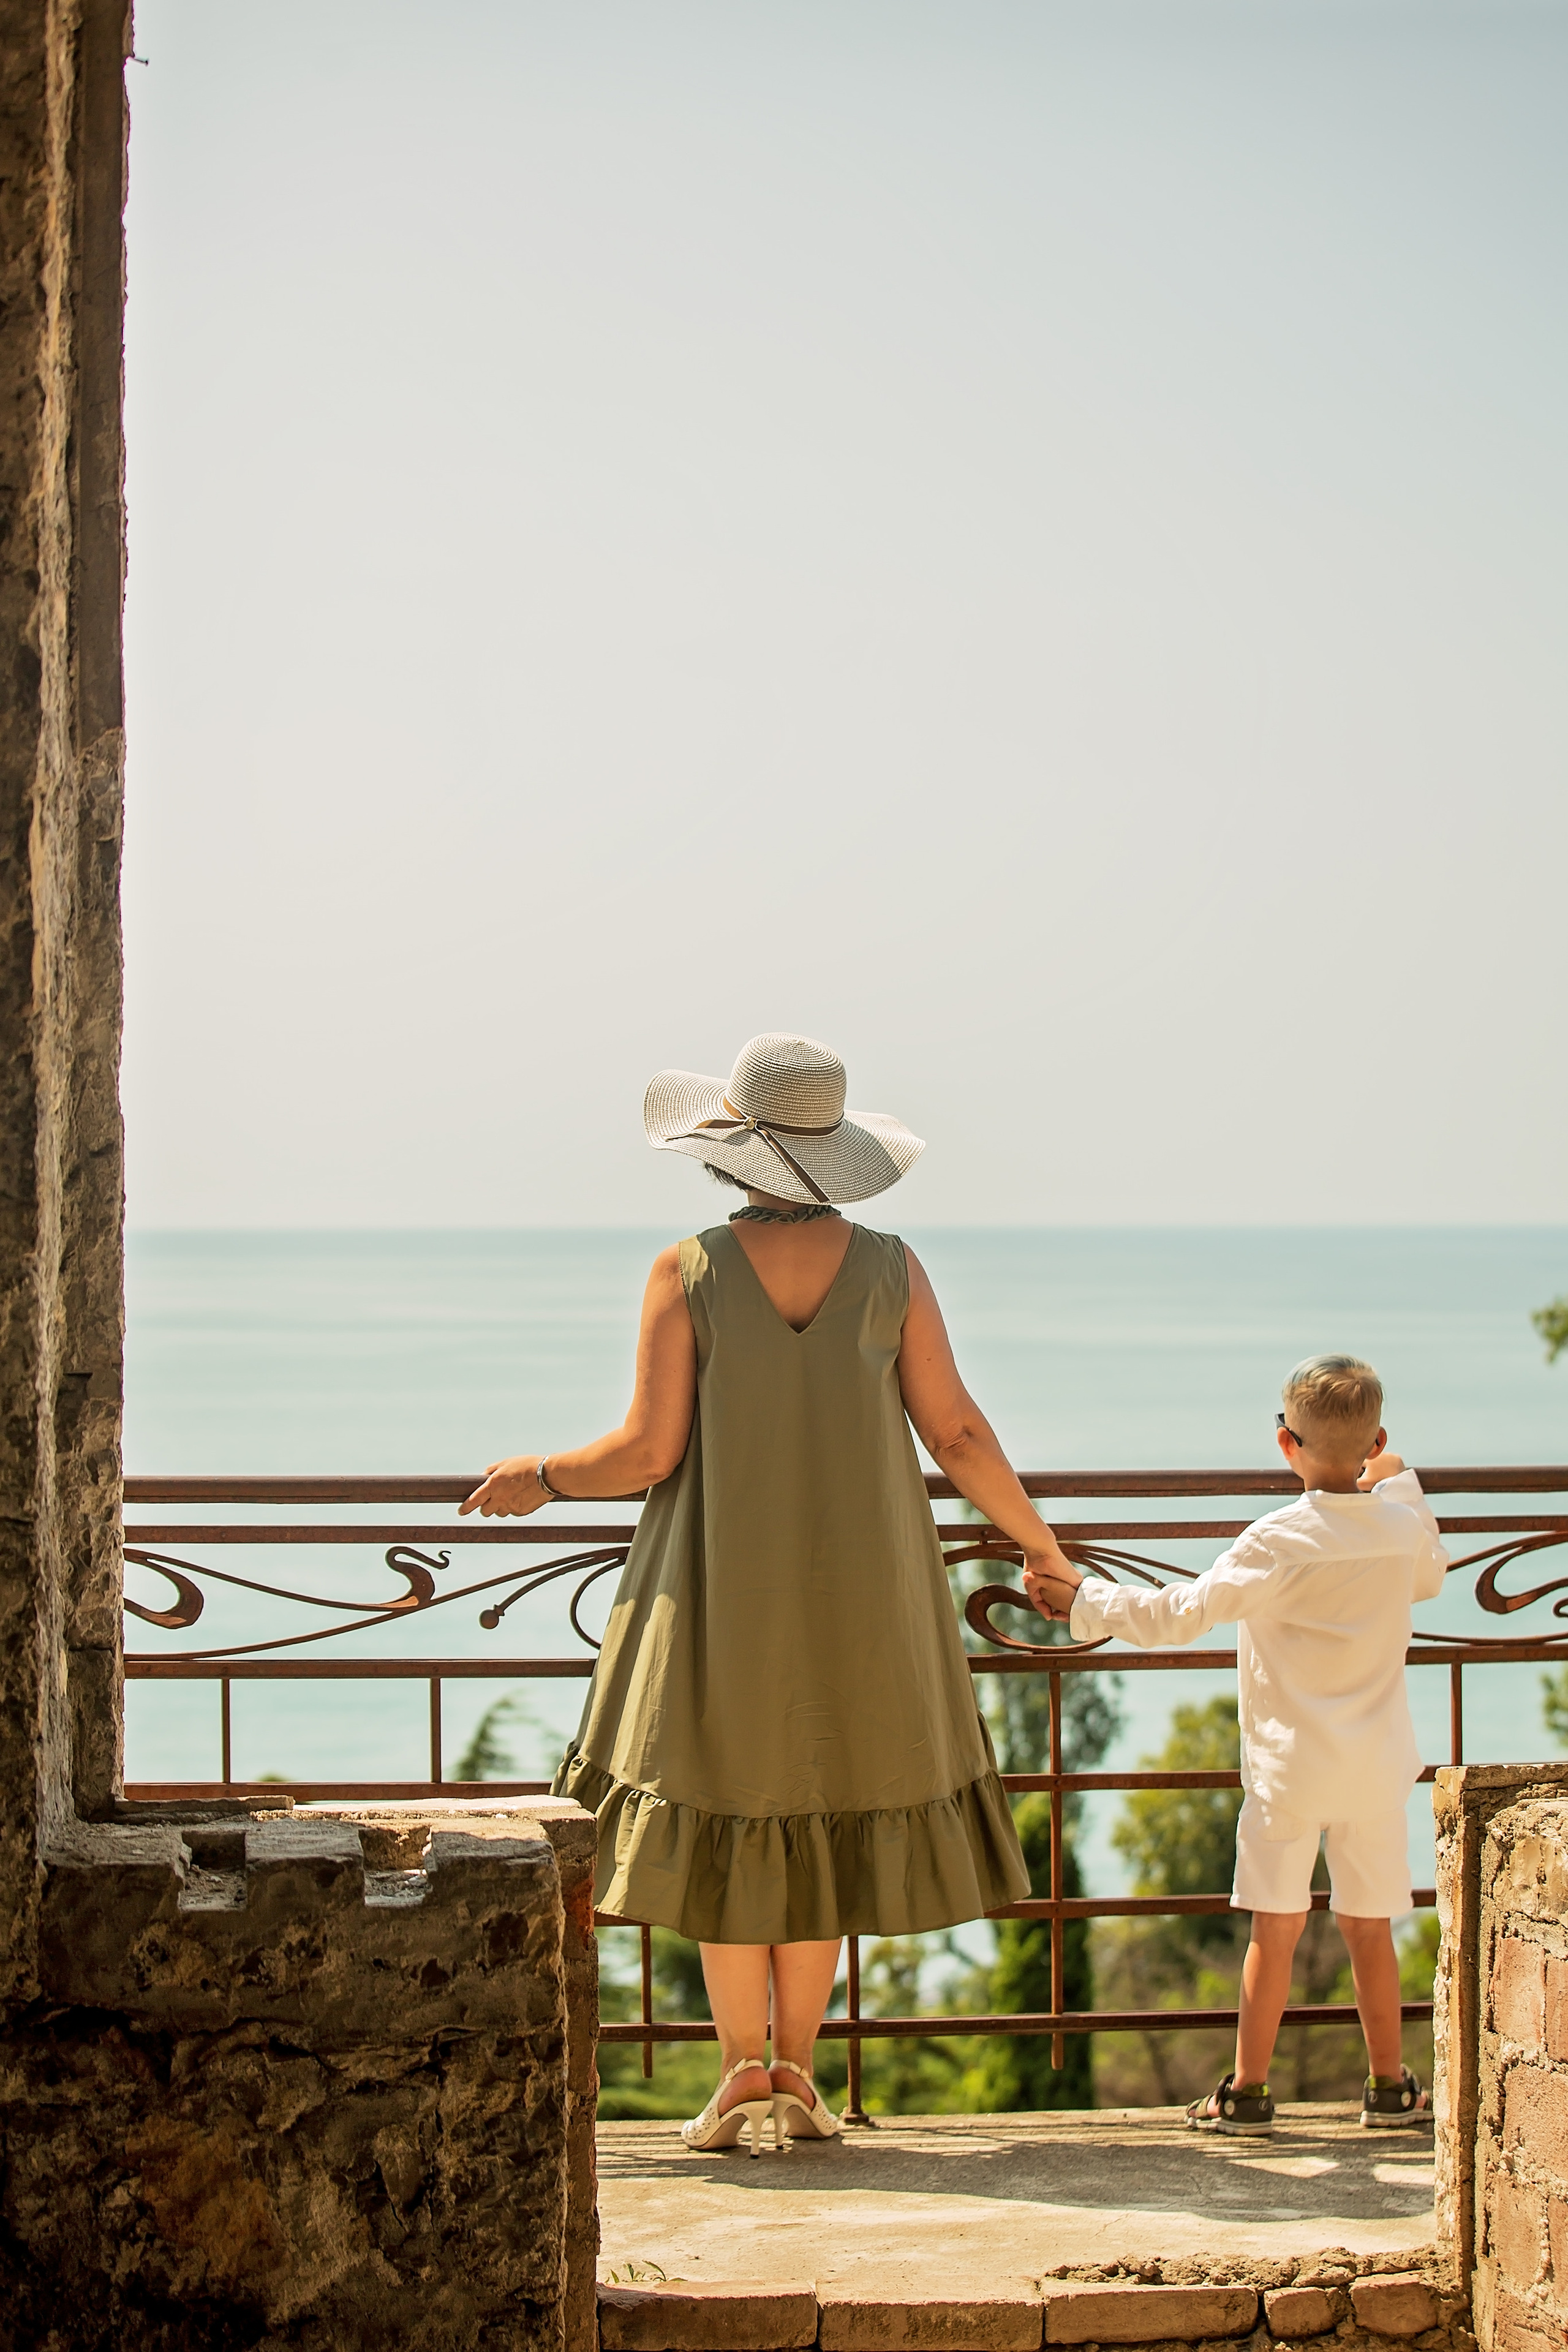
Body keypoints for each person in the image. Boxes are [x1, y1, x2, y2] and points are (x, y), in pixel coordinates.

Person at [460, 1032, 1073, 2155]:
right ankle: (795, 2069)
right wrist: (1040, 1548)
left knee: (727, 1810)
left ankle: (742, 2071)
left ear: (731, 1149)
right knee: (825, 1810)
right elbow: (956, 1433)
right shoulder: (891, 1269)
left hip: (716, 1589)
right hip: (867, 1596)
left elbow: (648, 1453)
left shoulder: (687, 1269)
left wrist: (538, 1477)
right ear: (835, 1155)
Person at [1025, 1352, 1447, 2136]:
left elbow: (1179, 1614)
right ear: (1376, 1441)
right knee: (1370, 1926)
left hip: (1289, 1772)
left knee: (1274, 1928)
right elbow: (1430, 1572)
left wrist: (1086, 1597)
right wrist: (1396, 1480)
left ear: (1285, 1444)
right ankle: (1389, 2087)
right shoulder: (1401, 1532)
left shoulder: (1274, 1540)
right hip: (1374, 1769)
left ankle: (1248, 2093)